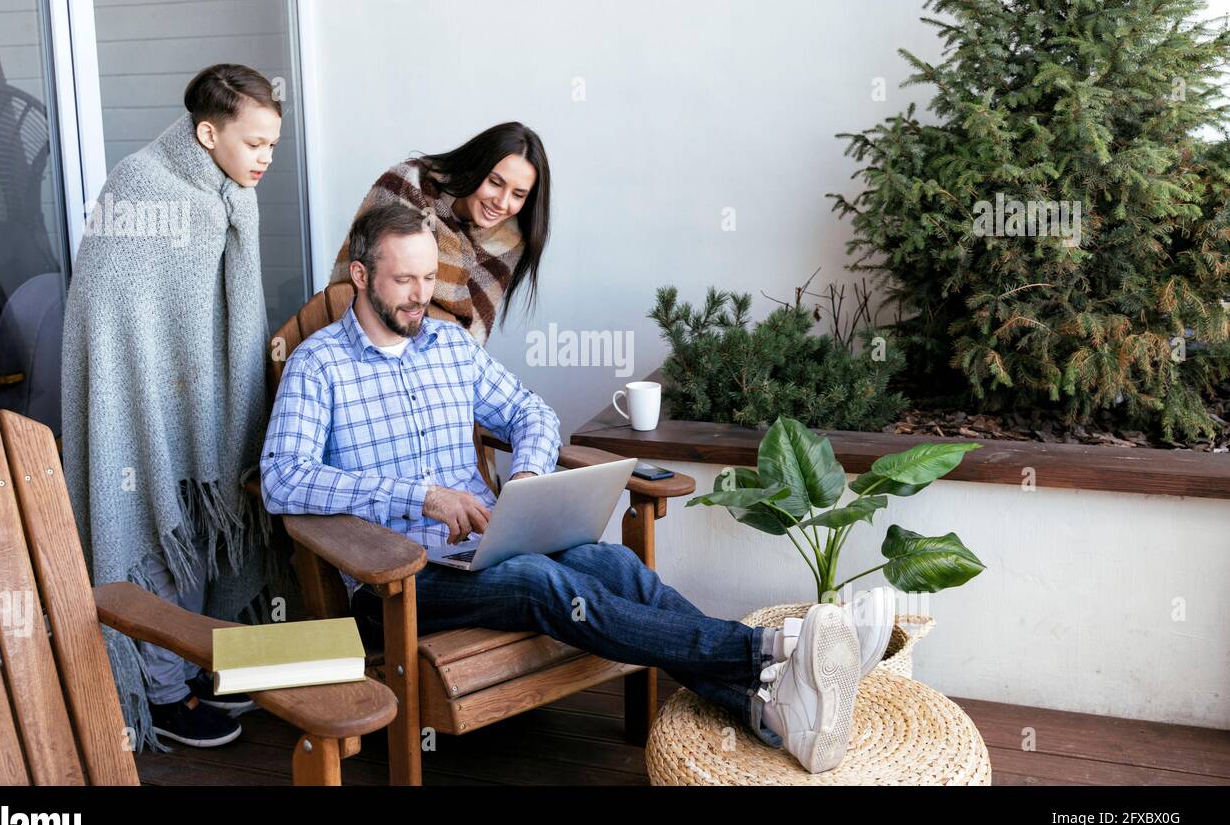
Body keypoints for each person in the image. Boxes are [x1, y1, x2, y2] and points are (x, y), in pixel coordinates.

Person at [261, 203, 897, 773]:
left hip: (487, 546)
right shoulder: (318, 366)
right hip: (400, 577)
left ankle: (772, 712)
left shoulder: (448, 346)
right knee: (546, 585)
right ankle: (771, 649)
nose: (421, 295)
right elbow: (281, 479)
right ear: (361, 274)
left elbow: (532, 413)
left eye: (430, 278)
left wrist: (530, 478)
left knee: (615, 564)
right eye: (404, 279)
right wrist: (420, 496)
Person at [62, 63, 286, 750]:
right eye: (255, 144)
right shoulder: (141, 185)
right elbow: (109, 312)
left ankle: (198, 663)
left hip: (200, 402)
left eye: (274, 146)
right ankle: (161, 692)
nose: (266, 160)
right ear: (208, 131)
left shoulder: (227, 195)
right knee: (158, 524)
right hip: (139, 407)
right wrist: (151, 404)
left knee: (198, 526)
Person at [326, 122, 551, 346]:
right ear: (475, 167)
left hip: (437, 361)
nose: (502, 203)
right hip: (362, 340)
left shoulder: (508, 239)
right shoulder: (407, 185)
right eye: (494, 182)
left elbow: (470, 337)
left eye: (518, 195)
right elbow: (361, 277)